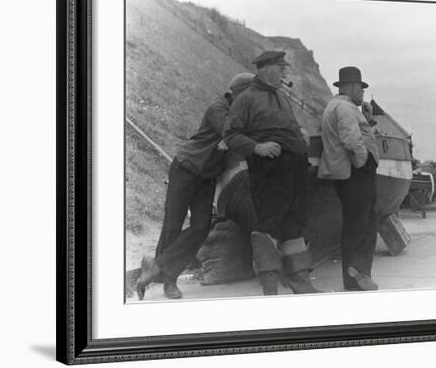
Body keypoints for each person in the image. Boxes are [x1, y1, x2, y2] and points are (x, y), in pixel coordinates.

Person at [136, 73, 254, 300]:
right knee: (173, 224)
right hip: (186, 169)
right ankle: (169, 281)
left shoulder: (236, 112)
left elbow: (235, 138)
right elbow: (232, 135)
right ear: (239, 93)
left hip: (207, 176)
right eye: (249, 96)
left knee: (201, 227)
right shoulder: (217, 108)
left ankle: (156, 266)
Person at [223, 50, 319, 295]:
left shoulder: (281, 97)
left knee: (295, 222)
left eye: (284, 68)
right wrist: (258, 147)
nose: (285, 72)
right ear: (265, 69)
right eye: (281, 68)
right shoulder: (246, 99)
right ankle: (270, 287)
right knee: (269, 224)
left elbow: (288, 125)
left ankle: (299, 279)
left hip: (295, 167)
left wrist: (300, 132)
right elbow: (231, 135)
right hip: (269, 170)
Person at [317, 66, 380, 291]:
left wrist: (366, 118)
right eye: (361, 88)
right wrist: (363, 161)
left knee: (359, 223)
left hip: (349, 173)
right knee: (363, 224)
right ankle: (357, 272)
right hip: (356, 173)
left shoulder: (339, 106)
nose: (362, 93)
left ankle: (355, 276)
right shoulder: (344, 107)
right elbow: (352, 140)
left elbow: (355, 133)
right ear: (352, 87)